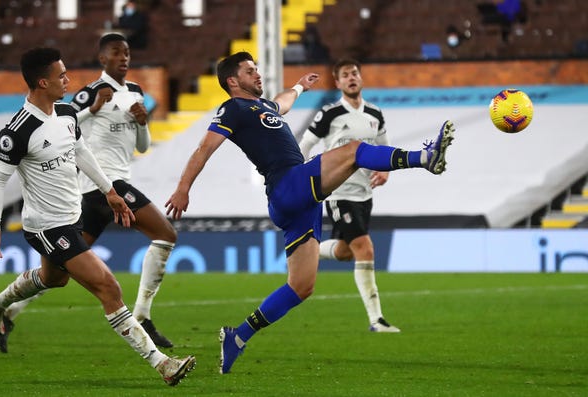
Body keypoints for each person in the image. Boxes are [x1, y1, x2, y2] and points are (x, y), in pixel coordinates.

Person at [164, 51, 455, 374]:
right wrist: (183, 188)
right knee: (354, 151)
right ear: (233, 81)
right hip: (287, 185)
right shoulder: (233, 108)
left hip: (298, 201)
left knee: (301, 286)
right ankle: (423, 157)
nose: (258, 74)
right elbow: (204, 148)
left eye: (258, 69)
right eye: (250, 71)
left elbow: (283, 102)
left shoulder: (263, 107)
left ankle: (238, 336)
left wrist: (300, 87)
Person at [0, 47, 195, 386]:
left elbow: (81, 152)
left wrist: (110, 191)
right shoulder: (17, 131)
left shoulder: (65, 113)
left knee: (54, 279)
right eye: (61, 75)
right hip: (46, 226)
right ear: (42, 81)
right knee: (109, 287)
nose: (68, 80)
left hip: (72, 216)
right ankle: (162, 363)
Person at [0, 32, 176, 351]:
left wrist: (142, 123)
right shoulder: (89, 93)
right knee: (165, 234)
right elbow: (62, 124)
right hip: (104, 185)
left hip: (106, 189)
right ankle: (143, 315)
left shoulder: (135, 92)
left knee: (58, 271)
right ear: (103, 59)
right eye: (116, 52)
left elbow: (143, 147)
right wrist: (94, 108)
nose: (123, 57)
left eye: (127, 52)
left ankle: (8, 307)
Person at [299, 58, 400, 333]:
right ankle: (376, 320)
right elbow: (305, 144)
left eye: (355, 73)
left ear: (361, 78)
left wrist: (387, 172)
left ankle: (307, 250)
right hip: (337, 192)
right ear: (338, 82)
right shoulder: (329, 114)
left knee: (346, 252)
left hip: (364, 193)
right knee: (365, 247)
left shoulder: (375, 114)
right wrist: (299, 176)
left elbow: (384, 148)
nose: (351, 78)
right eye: (345, 75)